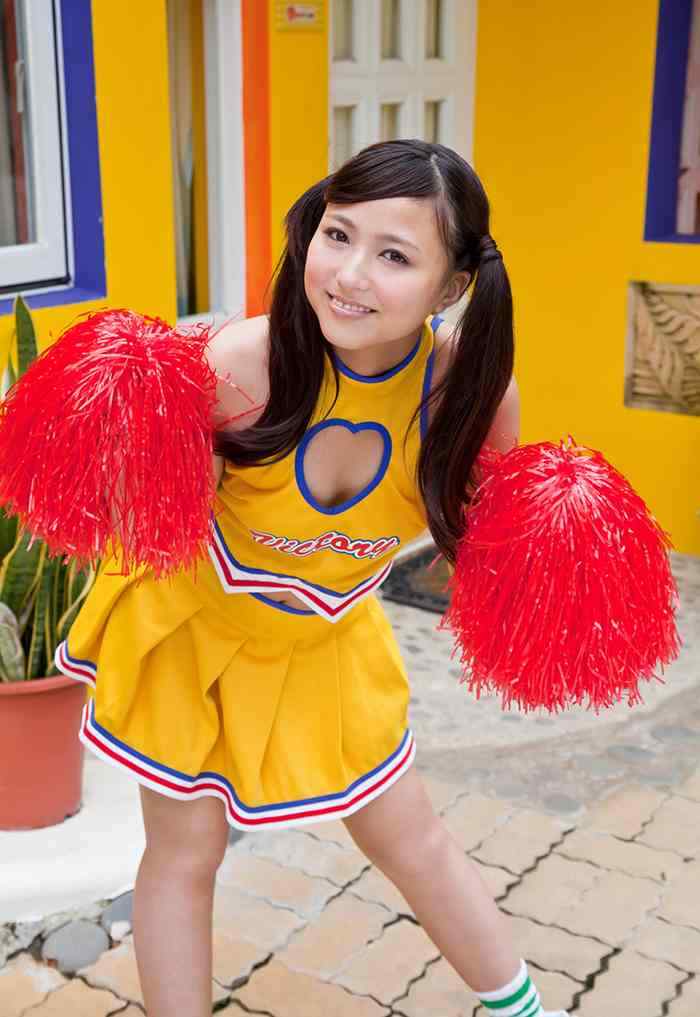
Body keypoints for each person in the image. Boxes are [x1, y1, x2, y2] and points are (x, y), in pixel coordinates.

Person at [55, 139, 569, 1017]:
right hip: (192, 633)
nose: (349, 275)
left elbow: (480, 551)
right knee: (185, 852)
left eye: (394, 255)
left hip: (327, 636)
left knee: (409, 834)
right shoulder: (237, 366)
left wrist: (552, 544)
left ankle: (524, 1008)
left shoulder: (470, 394)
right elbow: (143, 523)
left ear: (451, 287)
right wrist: (130, 423)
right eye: (338, 235)